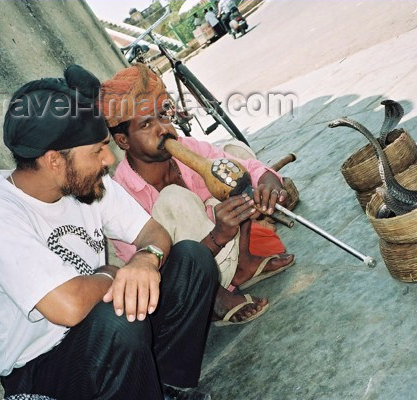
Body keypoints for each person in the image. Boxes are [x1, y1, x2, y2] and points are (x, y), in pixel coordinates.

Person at [0, 65, 217, 400]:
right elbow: (67, 308)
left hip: (104, 330)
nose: (109, 159)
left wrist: (145, 260)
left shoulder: (90, 183)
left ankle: (166, 388)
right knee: (118, 319)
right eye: (97, 150)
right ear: (54, 160)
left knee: (191, 260)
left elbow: (155, 233)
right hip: (45, 368)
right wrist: (112, 274)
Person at [99, 64, 295, 327]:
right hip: (187, 283)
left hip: (226, 252)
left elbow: (248, 169)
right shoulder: (120, 195)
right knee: (173, 199)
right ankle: (215, 297)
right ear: (123, 141)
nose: (163, 129)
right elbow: (158, 269)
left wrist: (269, 182)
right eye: (147, 124)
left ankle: (244, 265)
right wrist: (217, 236)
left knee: (232, 163)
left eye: (162, 116)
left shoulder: (186, 148)